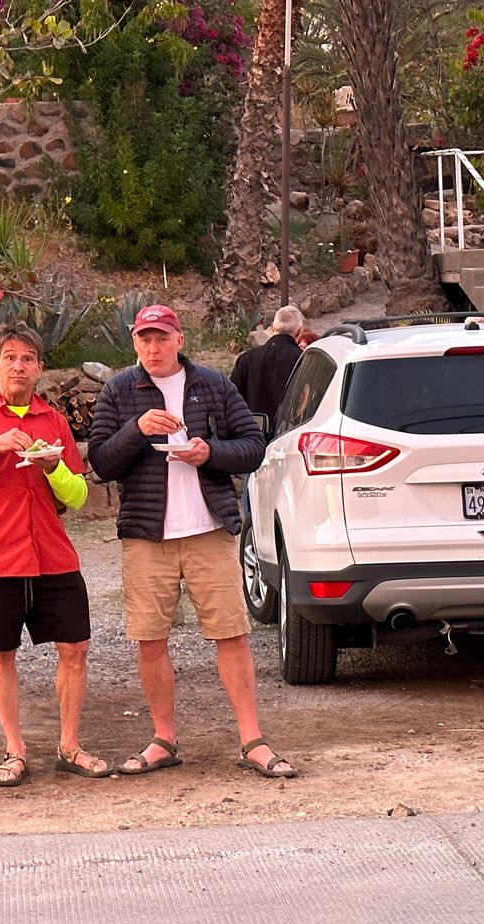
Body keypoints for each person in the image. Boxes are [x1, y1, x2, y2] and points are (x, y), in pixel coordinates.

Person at [88, 304, 296, 778]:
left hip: (209, 531)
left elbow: (253, 445)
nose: (153, 348)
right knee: (149, 639)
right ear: (134, 343)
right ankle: (163, 739)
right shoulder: (119, 390)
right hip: (146, 536)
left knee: (231, 634)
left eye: (162, 338)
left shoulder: (213, 384)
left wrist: (208, 452)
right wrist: (137, 430)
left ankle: (252, 740)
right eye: (145, 339)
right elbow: (102, 462)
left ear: (179, 339)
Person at [0, 320, 110, 788]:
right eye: (10, 357)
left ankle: (70, 746)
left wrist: (54, 465)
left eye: (28, 359)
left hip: (53, 556)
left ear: (39, 369)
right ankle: (14, 749)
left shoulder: (53, 422)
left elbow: (76, 496)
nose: (19, 365)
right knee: (2, 653)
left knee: (75, 647)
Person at [230, 304, 305, 423]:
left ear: (273, 328)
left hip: (252, 431)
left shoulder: (247, 358)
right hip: (288, 432)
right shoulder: (302, 359)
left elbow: (233, 399)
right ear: (300, 330)